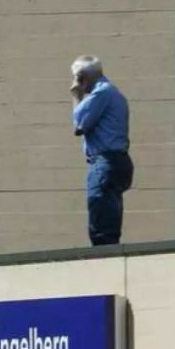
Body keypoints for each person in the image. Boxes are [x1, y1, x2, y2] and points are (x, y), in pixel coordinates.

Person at [70, 55, 133, 246]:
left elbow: (79, 125)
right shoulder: (115, 94)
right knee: (110, 217)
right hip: (118, 160)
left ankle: (103, 259)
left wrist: (76, 96)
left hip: (104, 161)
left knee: (101, 223)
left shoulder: (101, 94)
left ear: (82, 77)